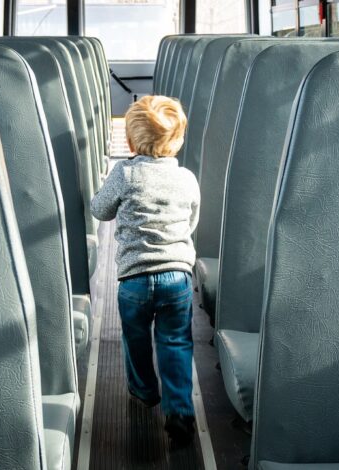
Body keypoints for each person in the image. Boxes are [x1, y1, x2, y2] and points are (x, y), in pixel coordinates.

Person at [91, 95, 200, 446]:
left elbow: (100, 210)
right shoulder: (186, 178)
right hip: (177, 278)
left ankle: (143, 391)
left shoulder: (125, 173)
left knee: (135, 339)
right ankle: (180, 410)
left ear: (132, 141)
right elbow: (190, 221)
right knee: (176, 341)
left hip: (134, 280)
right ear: (178, 139)